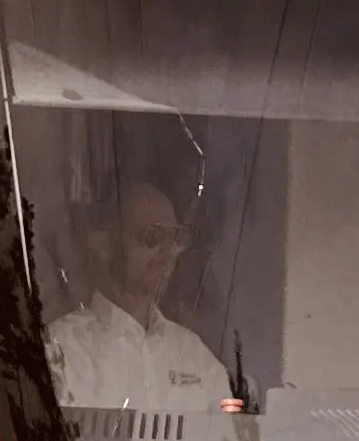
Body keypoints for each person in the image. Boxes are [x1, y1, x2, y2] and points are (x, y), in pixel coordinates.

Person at [47, 177, 239, 419]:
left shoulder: (195, 355)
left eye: (175, 239)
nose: (167, 253)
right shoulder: (61, 351)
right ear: (104, 244)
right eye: (152, 236)